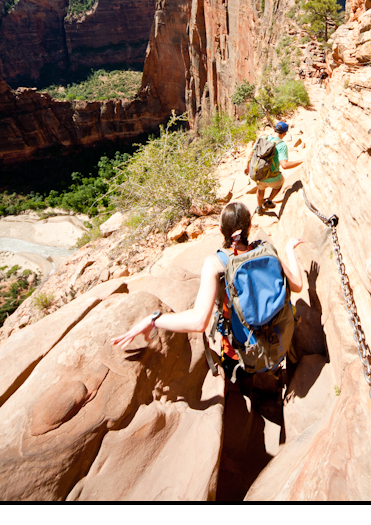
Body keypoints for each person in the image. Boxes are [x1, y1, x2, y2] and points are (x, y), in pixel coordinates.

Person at [110, 202, 304, 357]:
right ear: (249, 227)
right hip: (278, 337)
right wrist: (288, 250)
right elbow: (297, 285)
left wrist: (153, 320)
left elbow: (199, 322)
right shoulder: (267, 250)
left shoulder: (215, 263)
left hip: (244, 349)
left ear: (222, 230)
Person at [244, 121, 302, 215]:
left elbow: (251, 154)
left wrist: (247, 168)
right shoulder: (281, 145)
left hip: (258, 174)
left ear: (274, 129)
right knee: (280, 182)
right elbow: (284, 165)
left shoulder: (262, 138)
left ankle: (259, 208)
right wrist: (301, 161)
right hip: (272, 178)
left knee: (260, 188)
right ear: (284, 133)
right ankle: (269, 201)